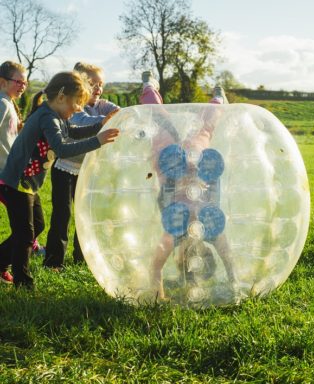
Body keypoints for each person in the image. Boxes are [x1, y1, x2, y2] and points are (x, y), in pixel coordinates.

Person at [0, 71, 119, 288]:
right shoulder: (47, 116)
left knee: (36, 225)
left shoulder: (56, 116)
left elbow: (72, 131)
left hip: (27, 184)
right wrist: (97, 141)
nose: (78, 109)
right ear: (62, 97)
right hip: (17, 182)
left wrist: (99, 126)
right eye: (76, 104)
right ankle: (23, 283)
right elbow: (62, 148)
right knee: (25, 235)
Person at [140, 71, 236, 300]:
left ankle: (216, 101)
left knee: (202, 129)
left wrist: (159, 296)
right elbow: (229, 259)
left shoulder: (176, 233)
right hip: (186, 161)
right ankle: (149, 90)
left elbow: (155, 267)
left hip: (173, 162)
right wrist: (234, 284)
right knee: (181, 126)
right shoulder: (208, 231)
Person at [44, 62, 119, 269]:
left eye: (100, 83)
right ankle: (53, 261)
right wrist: (108, 121)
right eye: (92, 83)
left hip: (87, 170)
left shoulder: (102, 105)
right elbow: (84, 122)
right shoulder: (75, 104)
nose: (97, 88)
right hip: (65, 167)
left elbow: (120, 112)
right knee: (63, 215)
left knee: (85, 214)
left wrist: (125, 115)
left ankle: (81, 256)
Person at [0, 61, 27, 284]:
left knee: (25, 226)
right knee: (25, 227)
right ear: (2, 82)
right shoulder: (2, 103)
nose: (23, 86)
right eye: (18, 81)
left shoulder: (8, 103)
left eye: (25, 82)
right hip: (3, 176)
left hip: (10, 173)